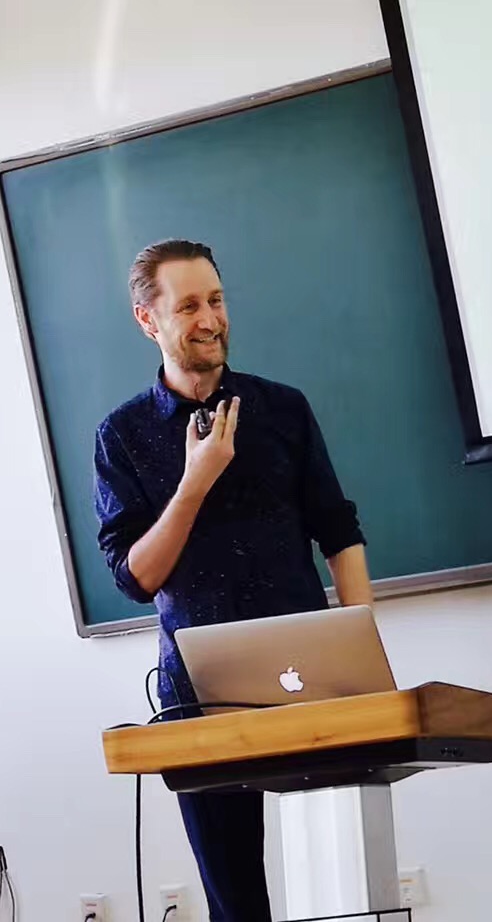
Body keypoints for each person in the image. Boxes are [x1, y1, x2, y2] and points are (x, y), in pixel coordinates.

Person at [93, 239, 373, 922]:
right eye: (188, 305)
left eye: (216, 300)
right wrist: (195, 482)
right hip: (199, 697)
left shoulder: (283, 409)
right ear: (148, 320)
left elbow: (338, 531)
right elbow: (135, 577)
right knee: (237, 906)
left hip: (311, 683)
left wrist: (361, 649)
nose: (210, 319)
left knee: (347, 892)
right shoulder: (121, 435)